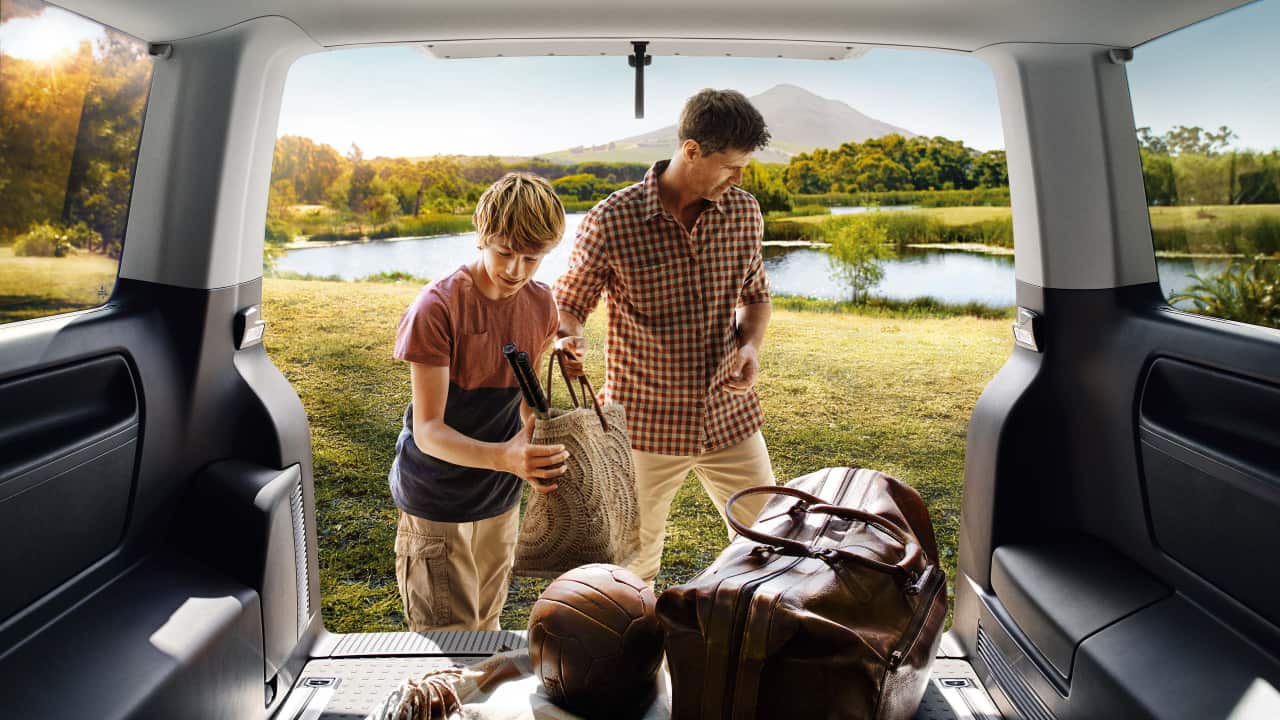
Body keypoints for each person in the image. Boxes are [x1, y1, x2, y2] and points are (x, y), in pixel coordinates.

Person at [554, 88, 777, 585]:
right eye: (731, 165)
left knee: (769, 551)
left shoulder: (744, 213)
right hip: (645, 426)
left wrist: (750, 347)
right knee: (631, 568)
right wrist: (568, 337)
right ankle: (632, 661)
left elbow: (755, 296)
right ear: (692, 151)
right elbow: (569, 304)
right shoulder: (612, 220)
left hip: (730, 418)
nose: (740, 177)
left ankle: (748, 652)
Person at [389, 173, 568, 631]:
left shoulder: (542, 305)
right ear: (481, 236)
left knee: (485, 636)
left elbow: (528, 405)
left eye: (533, 258)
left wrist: (537, 441)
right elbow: (428, 430)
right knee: (446, 647)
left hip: (500, 500)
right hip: (438, 502)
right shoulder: (437, 308)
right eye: (505, 252)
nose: (516, 270)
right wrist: (506, 457)